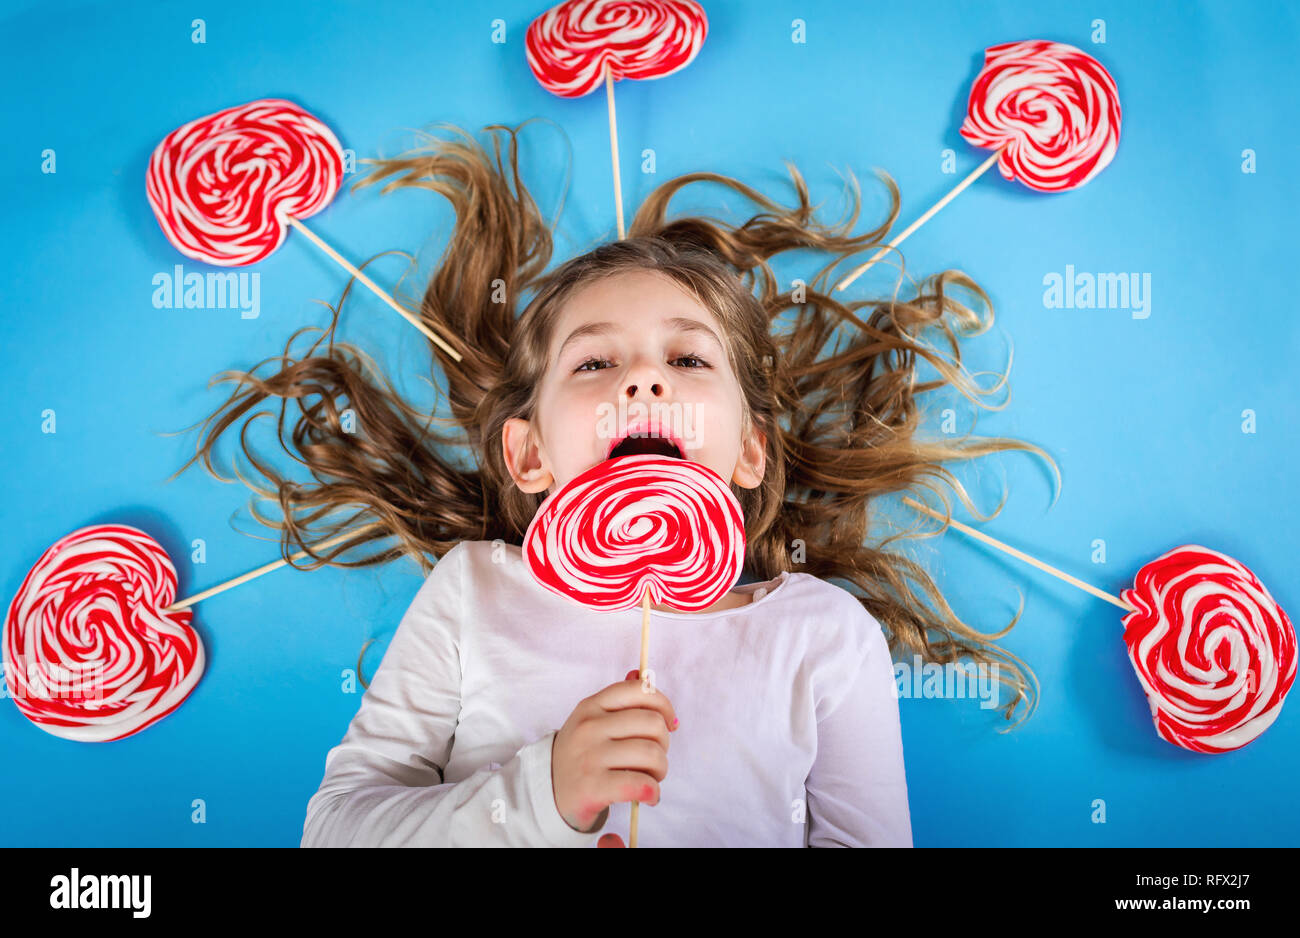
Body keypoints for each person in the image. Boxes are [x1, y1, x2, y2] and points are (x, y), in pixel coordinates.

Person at [174, 122, 1052, 846]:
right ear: (529, 457)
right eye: (594, 360)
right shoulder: (473, 593)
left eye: (686, 356)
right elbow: (334, 833)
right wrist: (541, 793)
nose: (643, 382)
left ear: (750, 451)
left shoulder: (822, 637)